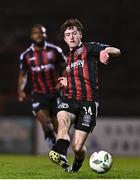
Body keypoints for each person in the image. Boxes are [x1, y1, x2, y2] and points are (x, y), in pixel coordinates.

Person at [48, 18, 121, 172]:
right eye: (68, 34)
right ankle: (60, 152)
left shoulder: (90, 48)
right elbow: (76, 77)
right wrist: (67, 82)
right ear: (65, 38)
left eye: (74, 33)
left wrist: (103, 52)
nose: (72, 37)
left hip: (88, 103)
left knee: (77, 147)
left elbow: (116, 50)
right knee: (62, 118)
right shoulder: (68, 59)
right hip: (70, 99)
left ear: (80, 34)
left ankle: (77, 163)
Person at [18, 24, 66, 149]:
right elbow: (23, 75)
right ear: (31, 36)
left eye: (42, 32)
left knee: (59, 127)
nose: (39, 35)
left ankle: (61, 151)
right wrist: (20, 90)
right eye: (36, 33)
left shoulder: (55, 50)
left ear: (46, 35)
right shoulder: (26, 55)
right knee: (46, 123)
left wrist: (63, 82)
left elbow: (65, 68)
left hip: (55, 94)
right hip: (38, 95)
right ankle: (54, 148)